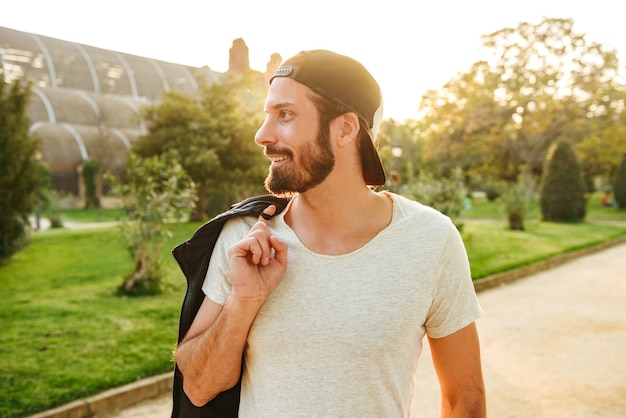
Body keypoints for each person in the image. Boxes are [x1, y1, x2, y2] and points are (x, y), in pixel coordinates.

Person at [174, 49, 486, 417]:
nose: (262, 135)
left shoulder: (431, 239)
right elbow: (197, 387)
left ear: (345, 128)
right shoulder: (244, 238)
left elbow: (463, 399)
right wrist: (243, 300)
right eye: (266, 115)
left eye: (285, 115)